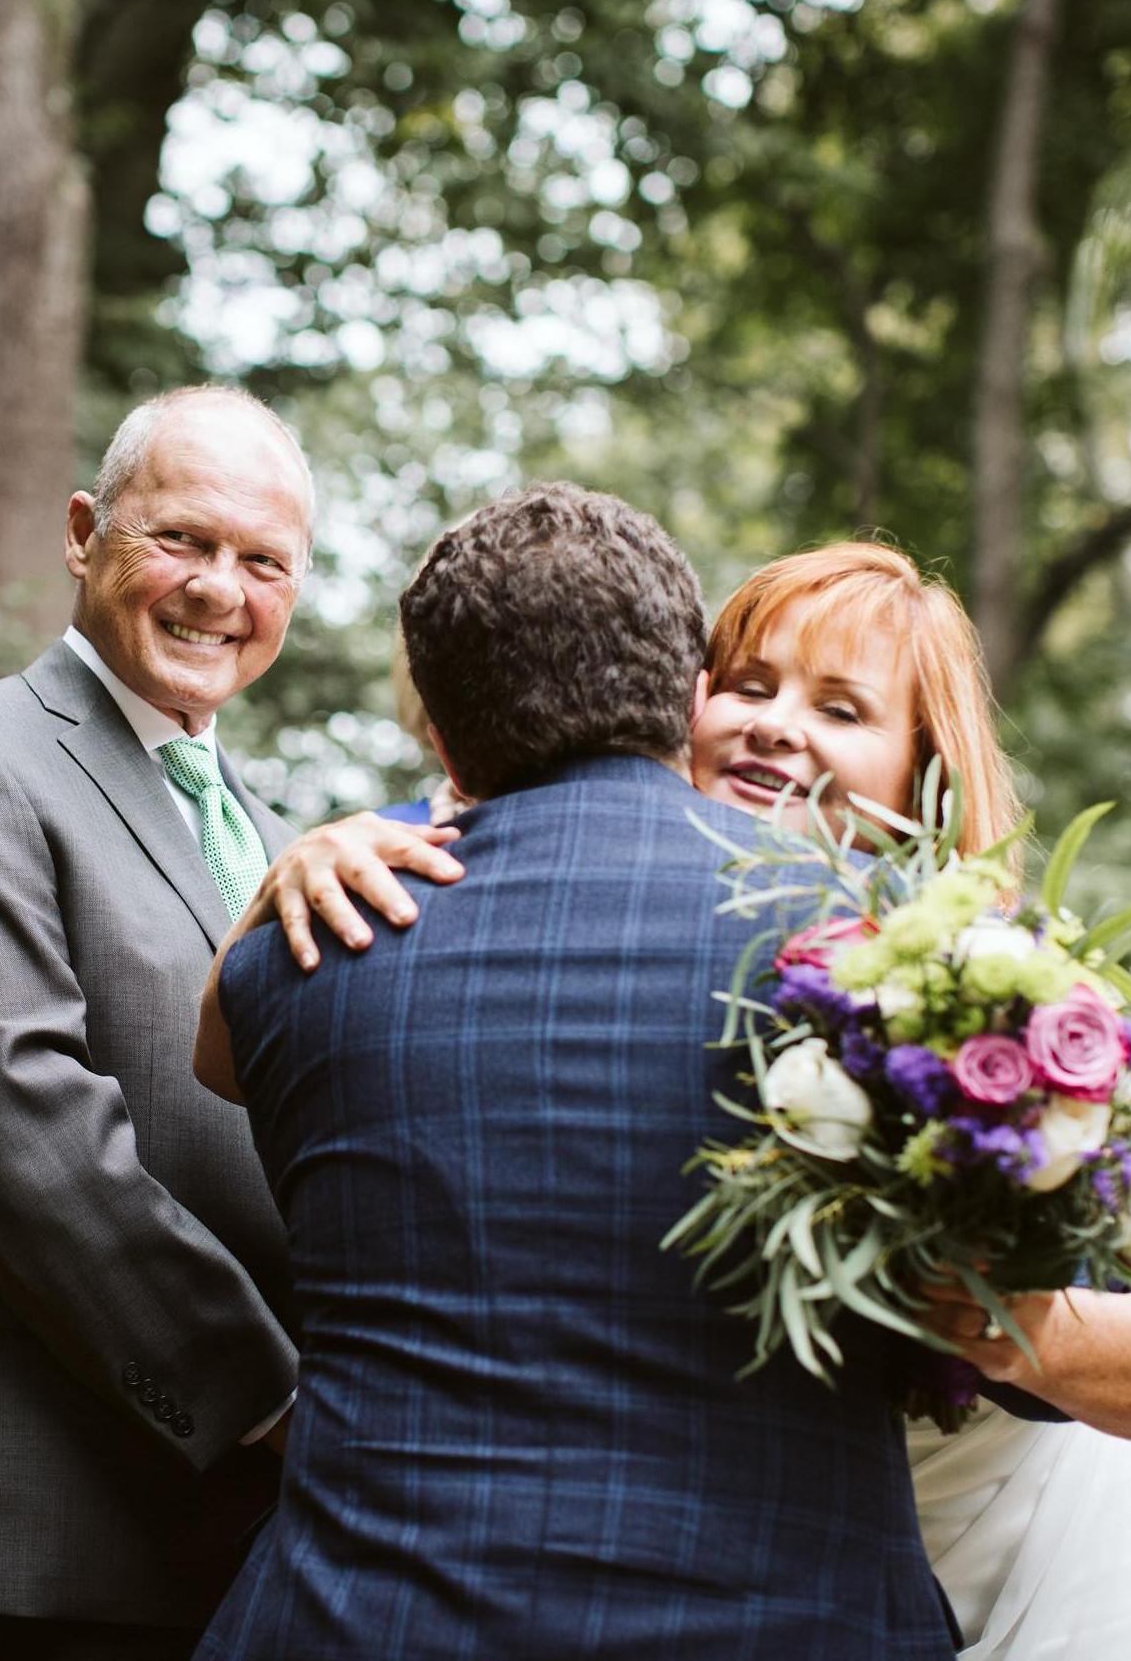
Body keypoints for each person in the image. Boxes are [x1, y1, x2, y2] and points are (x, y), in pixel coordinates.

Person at [192, 484, 958, 1660]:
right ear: (689, 695)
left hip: (365, 1620)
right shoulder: (878, 955)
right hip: (780, 1620)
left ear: (439, 736)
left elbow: (215, 1050)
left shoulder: (301, 957)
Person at [0, 385, 455, 1661]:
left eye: (262, 560)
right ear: (83, 531)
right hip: (79, 1518)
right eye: (181, 538)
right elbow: (27, 1136)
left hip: (301, 1526)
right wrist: (275, 1402)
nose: (219, 589)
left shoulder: (284, 834)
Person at [687, 542, 1131, 1661]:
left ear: (915, 768)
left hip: (1042, 1564)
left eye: (838, 706)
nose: (774, 722)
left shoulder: (993, 1005)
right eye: (746, 683)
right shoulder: (606, 957)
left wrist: (1002, 1321)